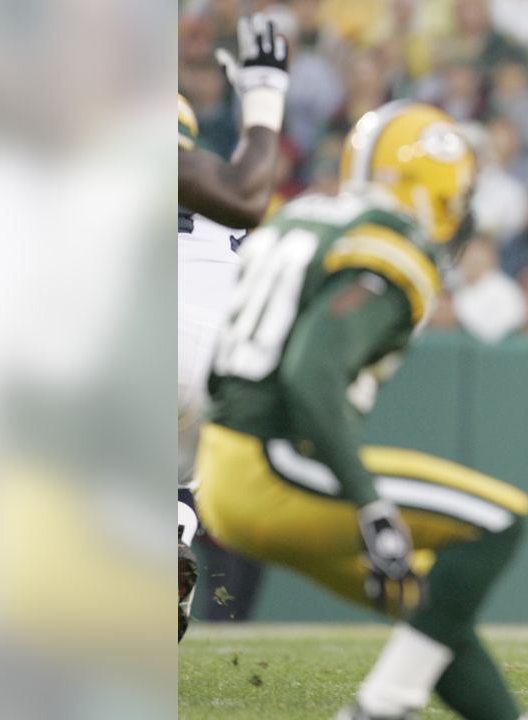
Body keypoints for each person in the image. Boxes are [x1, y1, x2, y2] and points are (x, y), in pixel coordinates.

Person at [193, 100, 528, 720]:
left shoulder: (303, 215)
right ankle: (381, 707)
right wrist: (368, 501)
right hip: (272, 463)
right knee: (499, 522)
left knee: (430, 607)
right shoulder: (391, 244)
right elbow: (309, 373)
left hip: (220, 464)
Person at [177, 12, 290, 642]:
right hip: (212, 356)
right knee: (184, 479)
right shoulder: (227, 215)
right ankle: (178, 524)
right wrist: (264, 94)